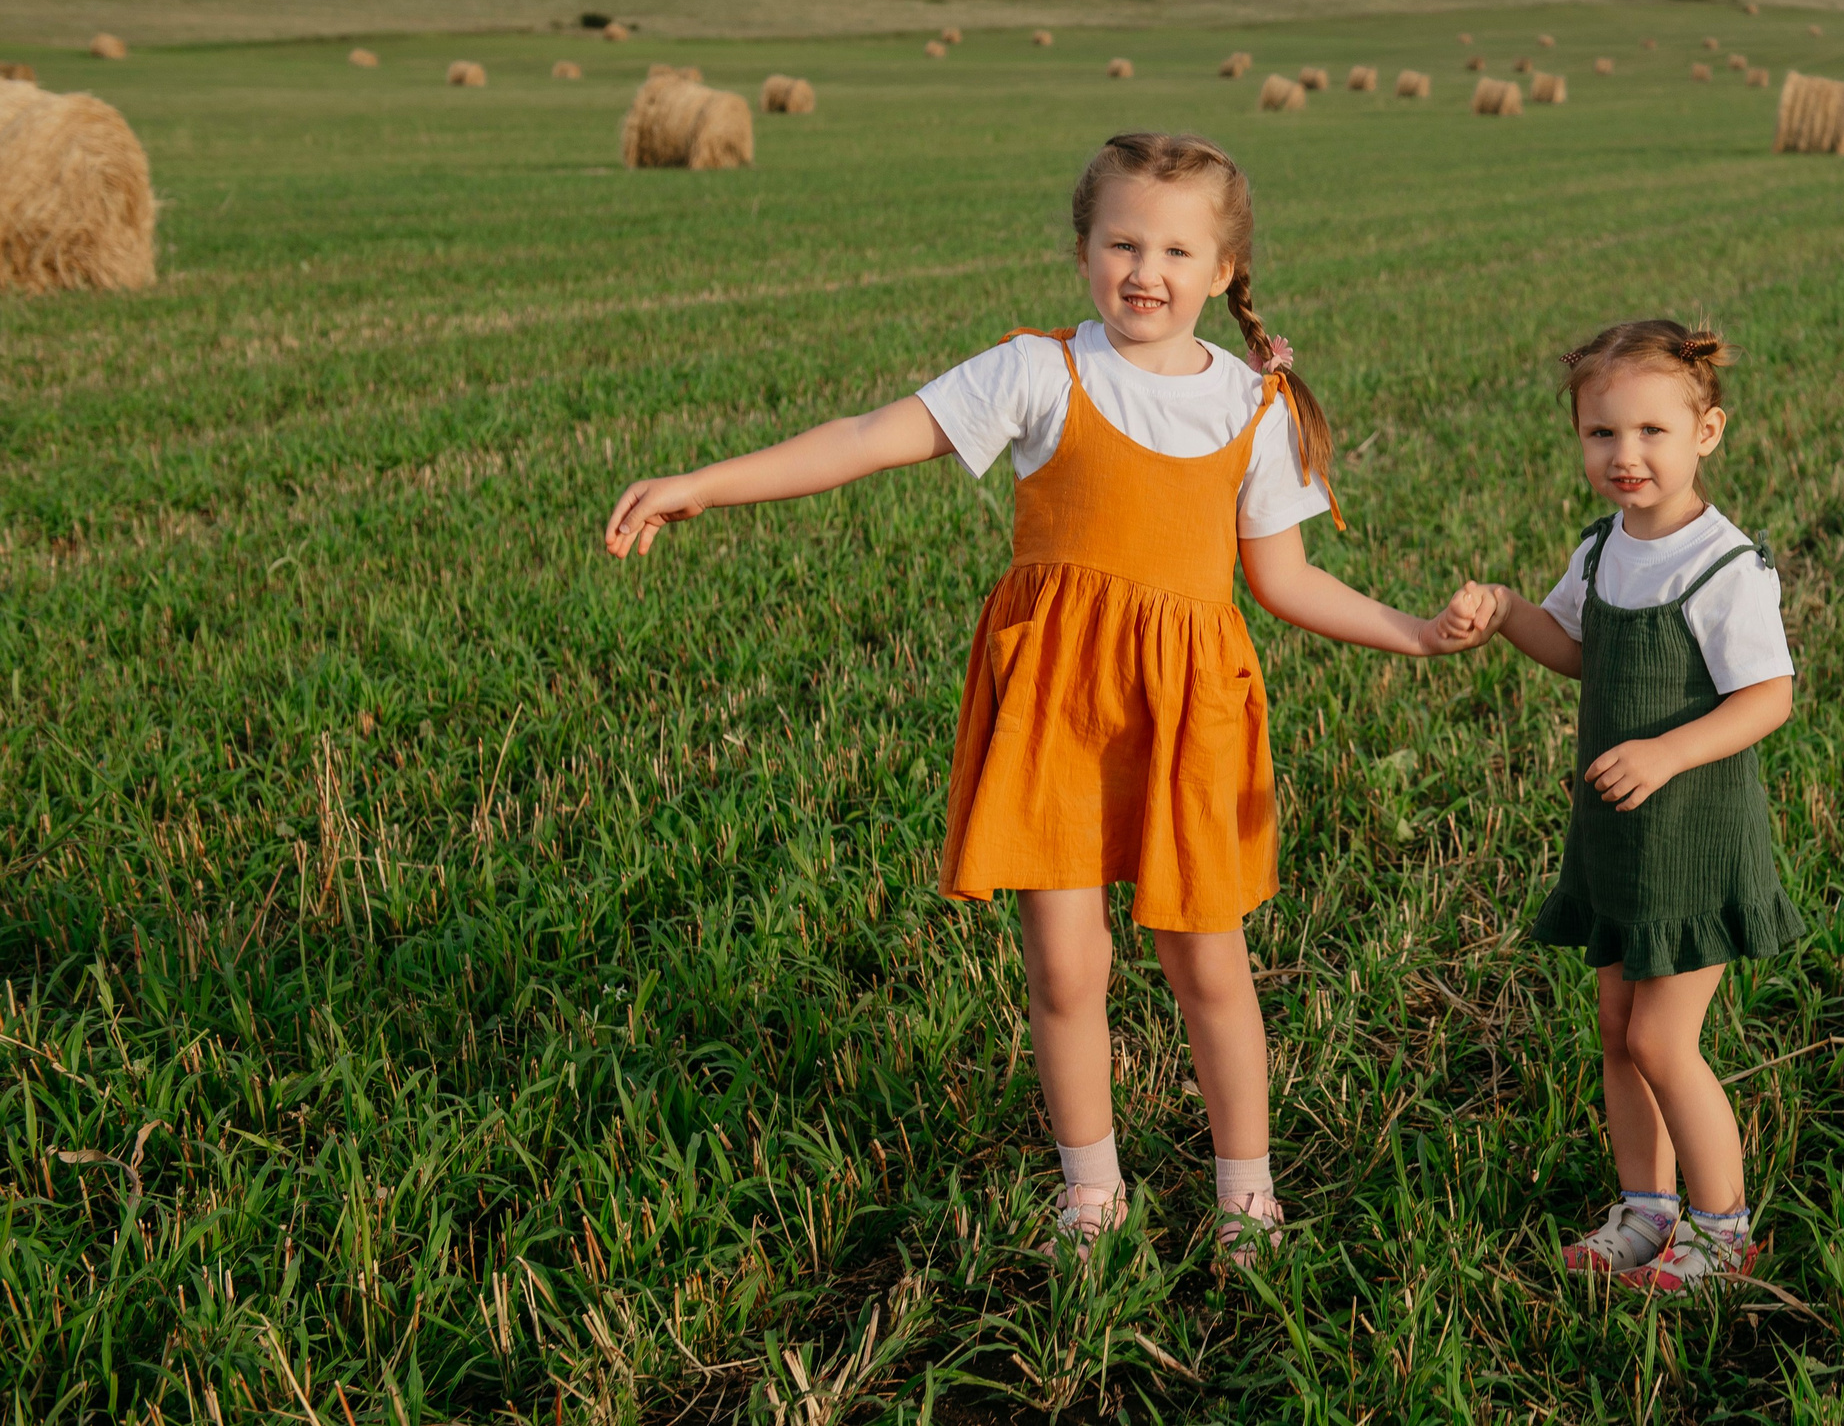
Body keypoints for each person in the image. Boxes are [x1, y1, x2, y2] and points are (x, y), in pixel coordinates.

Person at [604, 132, 1493, 1267]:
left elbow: (1283, 580)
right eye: (1121, 240)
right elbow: (870, 436)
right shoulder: (1036, 369)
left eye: (1177, 247)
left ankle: (1245, 1194)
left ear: (1223, 269)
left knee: (1207, 962)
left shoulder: (1256, 406)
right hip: (1057, 706)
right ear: (1082, 251)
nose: (1145, 268)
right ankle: (1092, 1192)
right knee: (1065, 967)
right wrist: (702, 485)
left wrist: (1413, 632)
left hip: (1188, 714)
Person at [1467, 319, 1803, 1292]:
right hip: (1618, 835)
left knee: (1662, 1036)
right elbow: (1576, 646)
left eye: (1652, 431)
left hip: (1692, 839)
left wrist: (1666, 751)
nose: (1626, 455)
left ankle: (1722, 1226)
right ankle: (1646, 1208)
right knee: (1616, 1026)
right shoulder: (1604, 546)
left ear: (1707, 431)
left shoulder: (1723, 564)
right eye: (1601, 433)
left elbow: (1767, 695)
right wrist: (1505, 612)